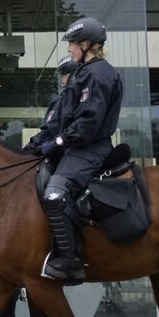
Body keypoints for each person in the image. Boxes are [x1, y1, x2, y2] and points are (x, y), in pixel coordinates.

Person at [34, 17, 124, 282]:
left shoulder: (98, 73)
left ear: (86, 44)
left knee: (54, 195)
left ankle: (70, 261)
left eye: (72, 44)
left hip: (89, 148)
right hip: (76, 148)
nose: (70, 49)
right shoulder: (86, 72)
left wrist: (58, 142)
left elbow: (87, 124)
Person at [21, 55, 79, 159]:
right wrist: (30, 147)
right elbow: (47, 130)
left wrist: (32, 148)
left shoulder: (74, 99)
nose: (62, 79)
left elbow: (52, 130)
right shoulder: (59, 101)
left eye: (64, 75)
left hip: (68, 152)